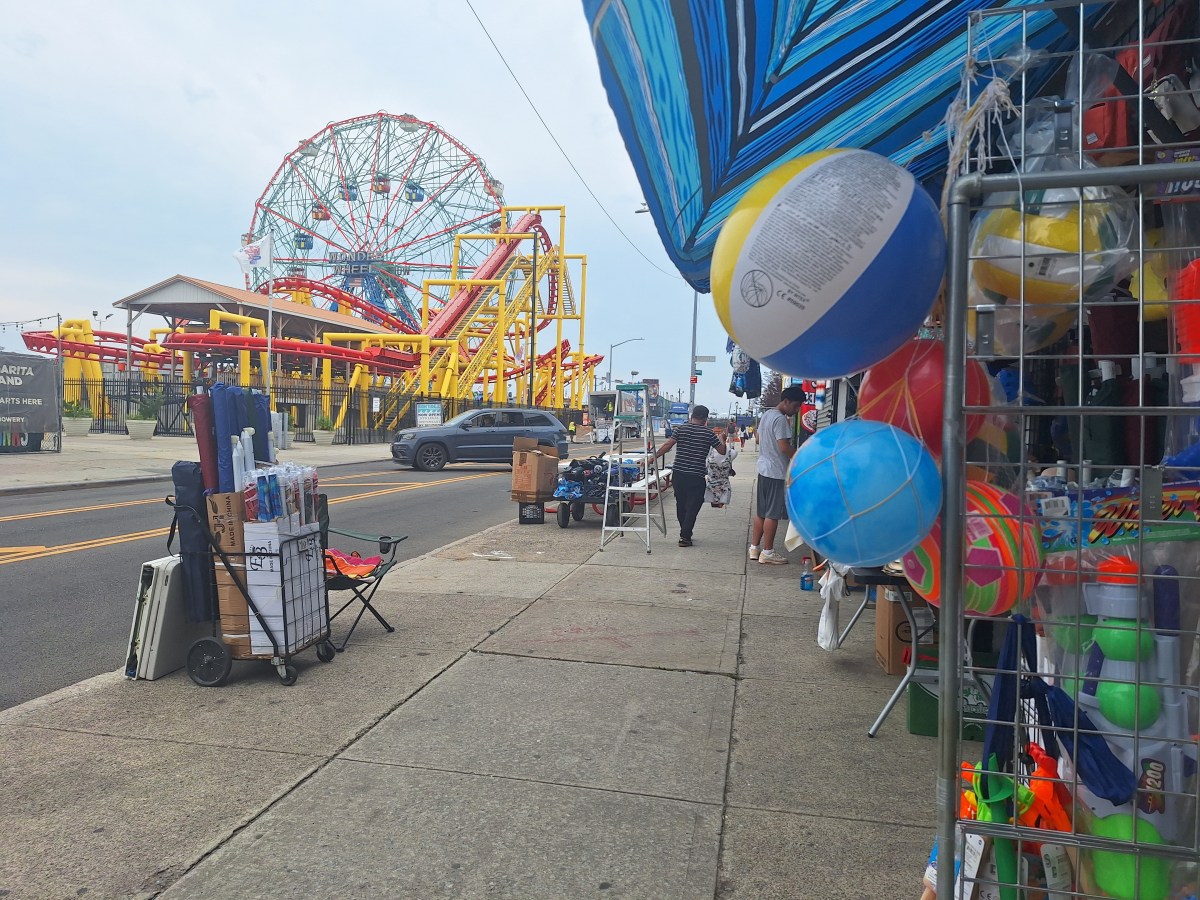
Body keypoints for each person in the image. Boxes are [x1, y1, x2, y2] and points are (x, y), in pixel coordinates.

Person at [652, 405, 726, 547]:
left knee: (681, 504)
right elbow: (722, 451)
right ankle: (685, 535)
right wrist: (722, 439)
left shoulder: (681, 429)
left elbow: (667, 445)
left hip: (679, 474)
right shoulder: (708, 433)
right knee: (693, 506)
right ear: (705, 419)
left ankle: (685, 532)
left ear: (692, 416)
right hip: (696, 476)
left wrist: (651, 459)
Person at [750, 385, 805, 565]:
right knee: (772, 515)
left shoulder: (767, 415)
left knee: (761, 512)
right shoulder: (781, 419)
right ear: (786, 401)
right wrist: (801, 459)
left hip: (763, 469)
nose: (796, 411)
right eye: (795, 406)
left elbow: (758, 439)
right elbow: (784, 447)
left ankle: (754, 548)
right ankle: (768, 552)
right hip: (776, 472)